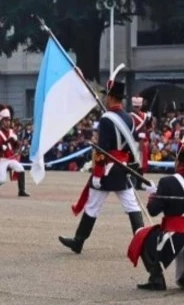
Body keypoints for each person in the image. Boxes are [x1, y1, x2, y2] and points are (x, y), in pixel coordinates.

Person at [59, 76, 145, 254]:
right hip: (122, 167)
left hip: (107, 169)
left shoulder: (107, 119)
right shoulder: (130, 119)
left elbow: (102, 150)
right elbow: (132, 145)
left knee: (92, 206)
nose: (105, 98)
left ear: (112, 97)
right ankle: (142, 241)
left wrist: (97, 174)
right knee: (132, 206)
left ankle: (78, 241)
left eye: (107, 95)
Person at [127, 137, 184, 293]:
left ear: (180, 162)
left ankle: (156, 278)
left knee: (140, 234)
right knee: (182, 281)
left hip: (172, 235)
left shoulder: (167, 182)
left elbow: (153, 210)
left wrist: (153, 194)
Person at [0, 106, 29, 197]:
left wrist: (16, 142)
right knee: (2, 180)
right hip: (2, 159)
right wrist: (0, 147)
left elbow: (15, 146)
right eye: (5, 120)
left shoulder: (11, 132)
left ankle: (21, 191)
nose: (7, 122)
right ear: (2, 122)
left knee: (20, 169)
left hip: (10, 157)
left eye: (8, 120)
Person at [129, 95, 151, 189]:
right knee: (134, 163)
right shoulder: (130, 116)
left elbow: (148, 128)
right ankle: (132, 183)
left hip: (143, 142)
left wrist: (150, 120)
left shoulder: (146, 116)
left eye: (138, 106)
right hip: (134, 141)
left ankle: (139, 184)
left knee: (141, 164)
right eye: (136, 107)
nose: (137, 108)